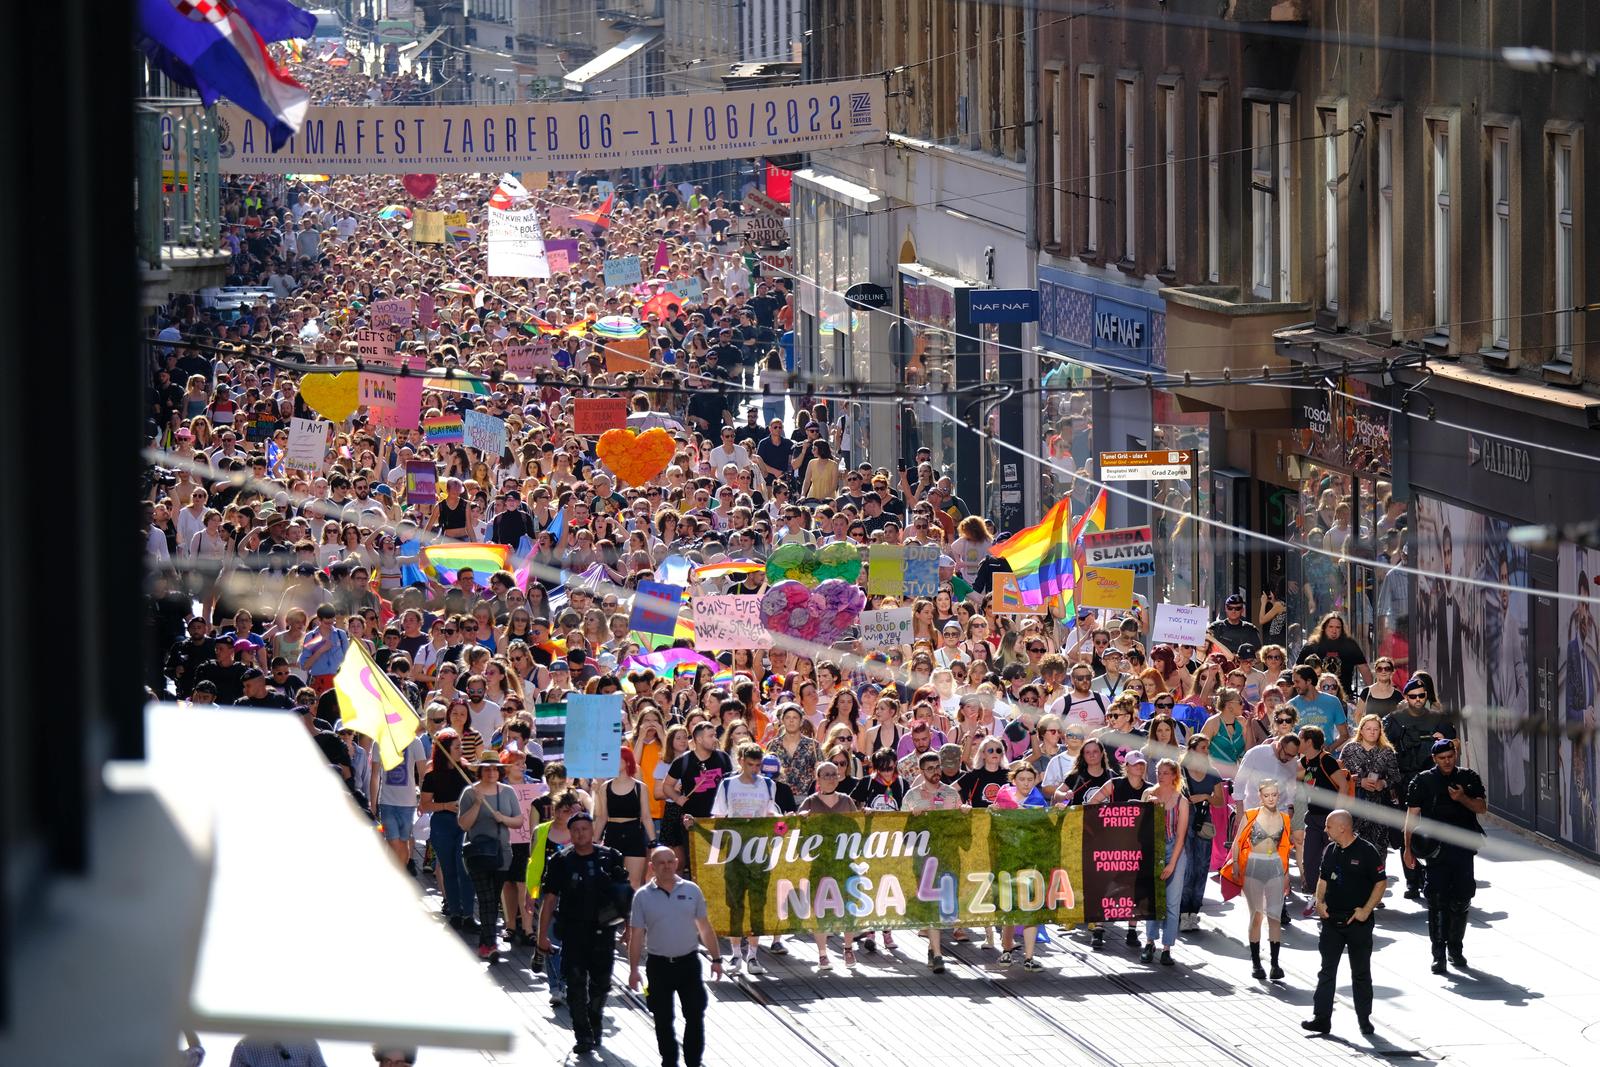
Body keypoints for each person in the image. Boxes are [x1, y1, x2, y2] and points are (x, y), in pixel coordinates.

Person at [538, 811, 630, 1056]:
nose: (580, 834)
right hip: (573, 932)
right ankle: (583, 1035)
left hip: (603, 933)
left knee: (601, 984)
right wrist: (541, 936)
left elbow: (626, 896)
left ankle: (594, 1021)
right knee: (576, 984)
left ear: (592, 831)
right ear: (570, 833)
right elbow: (549, 900)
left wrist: (629, 929)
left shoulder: (610, 857)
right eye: (575, 829)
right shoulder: (560, 861)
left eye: (585, 829)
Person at [627, 847, 724, 1067]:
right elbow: (636, 935)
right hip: (658, 966)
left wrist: (717, 959)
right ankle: (669, 1060)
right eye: (661, 863)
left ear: (677, 862)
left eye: (670, 861)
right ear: (652, 867)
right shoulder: (642, 897)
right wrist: (633, 970)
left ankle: (693, 1061)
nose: (667, 866)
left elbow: (705, 928)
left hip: (689, 963)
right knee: (662, 1018)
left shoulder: (692, 890)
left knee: (695, 1015)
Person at [1404, 739, 1487, 975]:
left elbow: (1481, 807)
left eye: (1450, 756)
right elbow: (1411, 817)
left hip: (1462, 847)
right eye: (1442, 758)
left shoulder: (1468, 777)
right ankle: (1438, 954)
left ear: (1455, 754)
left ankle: (1456, 949)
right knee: (1437, 900)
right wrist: (1408, 849)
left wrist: (1462, 798)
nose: (1447, 761)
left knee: (1461, 898)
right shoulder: (1422, 781)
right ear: (1434, 759)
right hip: (1435, 849)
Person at [1303, 809, 1386, 1036]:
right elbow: (1322, 878)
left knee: (1360, 972)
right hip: (1332, 921)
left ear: (1343, 827)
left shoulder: (1367, 851)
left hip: (1357, 922)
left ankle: (1364, 1019)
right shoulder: (1330, 850)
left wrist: (1366, 910)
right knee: (1327, 971)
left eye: (1329, 826)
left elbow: (1381, 883)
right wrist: (1319, 903)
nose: (1326, 830)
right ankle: (1321, 1018)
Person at [1384, 677, 1457, 900]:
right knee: (1406, 833)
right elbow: (1386, 747)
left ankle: (1431, 878)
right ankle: (1412, 880)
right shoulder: (1394, 720)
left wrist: (1444, 741)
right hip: (1404, 781)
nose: (1417, 700)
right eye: (1413, 696)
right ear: (1405, 697)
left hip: (1431, 783)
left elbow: (1453, 748)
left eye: (1421, 696)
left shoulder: (1439, 719)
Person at [1223, 779, 1292, 981]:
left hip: (1275, 867)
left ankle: (1275, 964)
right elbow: (1237, 842)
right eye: (1267, 795)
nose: (1271, 798)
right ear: (1260, 796)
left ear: (1278, 796)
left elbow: (1286, 848)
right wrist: (1236, 864)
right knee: (1257, 916)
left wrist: (1287, 874)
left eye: (1274, 795)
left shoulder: (1285, 819)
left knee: (1275, 916)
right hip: (1254, 865)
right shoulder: (1251, 815)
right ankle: (1256, 963)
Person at [903, 750, 964, 972]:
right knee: (930, 903)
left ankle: (933, 945)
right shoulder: (911, 797)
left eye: (937, 767)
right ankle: (938, 954)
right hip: (924, 858)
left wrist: (965, 812)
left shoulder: (951, 794)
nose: (936, 772)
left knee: (944, 904)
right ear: (921, 771)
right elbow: (901, 833)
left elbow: (962, 827)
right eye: (930, 769)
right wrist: (912, 818)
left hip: (948, 855)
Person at [1140, 758, 1190, 966]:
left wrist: (1172, 863)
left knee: (1171, 902)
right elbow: (1138, 824)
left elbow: (1180, 836)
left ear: (1174, 776)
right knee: (1152, 899)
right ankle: (1150, 941)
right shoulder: (1148, 793)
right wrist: (1150, 808)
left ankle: (1167, 946)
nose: (1161, 776)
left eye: (1166, 773)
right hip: (1153, 847)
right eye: (1159, 772)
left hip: (1174, 850)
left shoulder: (1181, 801)